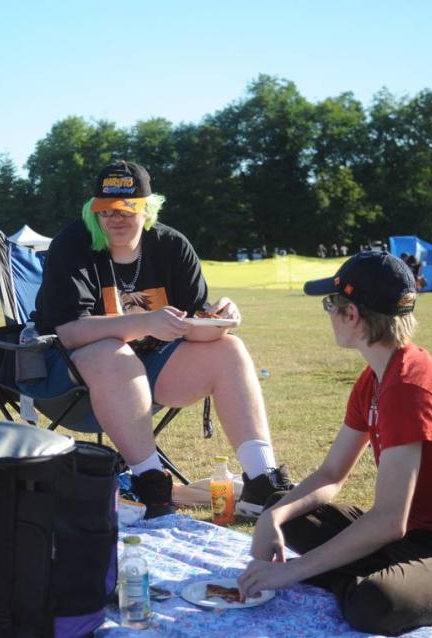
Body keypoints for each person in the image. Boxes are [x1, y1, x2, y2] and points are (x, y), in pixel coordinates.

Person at [239, 251, 432, 635]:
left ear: (352, 316)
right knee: (286, 509)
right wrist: (270, 517)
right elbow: (331, 474)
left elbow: (389, 521)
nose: (328, 313)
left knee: (374, 603)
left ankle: (369, 578)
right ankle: (364, 571)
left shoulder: (410, 388)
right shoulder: (376, 378)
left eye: (331, 304)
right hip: (416, 530)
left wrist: (294, 571)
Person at [27, 160, 293, 519]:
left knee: (230, 349)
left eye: (126, 210)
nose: (115, 219)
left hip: (150, 373)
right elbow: (71, 332)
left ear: (148, 209)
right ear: (94, 211)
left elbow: (194, 325)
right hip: (71, 379)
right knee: (112, 351)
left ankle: (262, 482)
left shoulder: (172, 246)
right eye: (105, 211)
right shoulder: (72, 245)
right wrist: (146, 322)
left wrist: (222, 320)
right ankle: (150, 482)